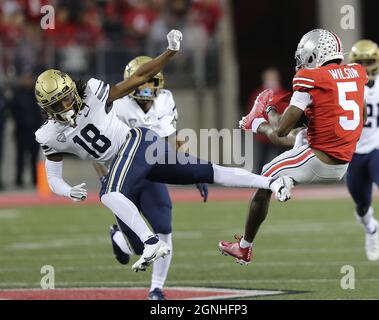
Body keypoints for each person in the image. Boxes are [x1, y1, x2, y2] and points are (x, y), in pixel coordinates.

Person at [35, 30, 292, 272]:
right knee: (206, 171)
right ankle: (271, 182)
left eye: (66, 98)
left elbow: (137, 78)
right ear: (46, 108)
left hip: (136, 142)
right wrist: (68, 190)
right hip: (128, 165)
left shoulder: (92, 92)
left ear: (73, 91)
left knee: (108, 193)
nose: (64, 106)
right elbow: (53, 178)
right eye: (55, 103)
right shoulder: (48, 135)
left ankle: (151, 243)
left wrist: (169, 51)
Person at [219, 29, 368, 265]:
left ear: (314, 53)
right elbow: (362, 116)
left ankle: (244, 247)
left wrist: (267, 109)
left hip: (318, 159)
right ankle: (283, 177)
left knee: (264, 176)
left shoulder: (312, 78)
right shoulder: (356, 73)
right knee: (299, 138)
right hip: (342, 161)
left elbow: (280, 130)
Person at [93, 55, 208, 300]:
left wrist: (194, 171)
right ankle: (117, 236)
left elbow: (175, 138)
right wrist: (105, 178)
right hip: (121, 176)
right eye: (141, 81)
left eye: (151, 81)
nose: (145, 87)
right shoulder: (117, 104)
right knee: (136, 247)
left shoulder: (165, 100)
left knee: (164, 227)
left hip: (151, 173)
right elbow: (94, 148)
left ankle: (156, 288)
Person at [345, 40, 379, 271]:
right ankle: (371, 228)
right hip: (353, 153)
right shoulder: (345, 84)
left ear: (378, 62)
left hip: (378, 148)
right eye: (360, 62)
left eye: (369, 62)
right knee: (362, 205)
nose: (365, 67)